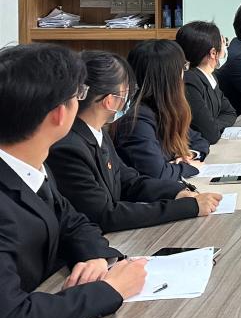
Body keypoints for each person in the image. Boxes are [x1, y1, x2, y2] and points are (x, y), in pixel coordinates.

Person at [0, 44, 147, 318]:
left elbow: (73, 221)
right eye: (78, 94)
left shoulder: (31, 163)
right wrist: (110, 289)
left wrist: (95, 255)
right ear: (59, 113)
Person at [48, 50, 222, 233]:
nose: (129, 98)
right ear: (109, 101)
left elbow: (129, 181)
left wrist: (176, 192)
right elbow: (105, 215)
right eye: (126, 92)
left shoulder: (97, 133)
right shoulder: (68, 147)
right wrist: (187, 207)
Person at [114, 40, 208, 182]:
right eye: (183, 67)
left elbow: (200, 141)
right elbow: (158, 173)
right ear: (170, 77)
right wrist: (189, 167)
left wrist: (190, 155)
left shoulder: (166, 109)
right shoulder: (137, 120)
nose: (184, 74)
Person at [176, 21, 237, 145]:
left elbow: (230, 113)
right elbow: (210, 134)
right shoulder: (189, 82)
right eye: (223, 41)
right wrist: (213, 126)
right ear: (213, 53)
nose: (225, 45)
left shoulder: (210, 76)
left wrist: (213, 124)